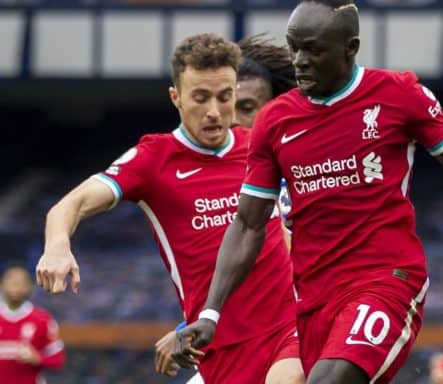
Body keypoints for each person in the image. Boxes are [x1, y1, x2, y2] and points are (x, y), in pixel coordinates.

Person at [172, 0, 443, 384]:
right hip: (315, 299)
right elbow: (247, 225)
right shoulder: (275, 121)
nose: (300, 61)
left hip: (387, 279)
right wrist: (211, 314)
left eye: (313, 50)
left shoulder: (398, 95)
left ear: (350, 48)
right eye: (295, 47)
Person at [35, 33, 304, 384]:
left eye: (225, 97)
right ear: (175, 98)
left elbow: (286, 233)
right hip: (220, 346)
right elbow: (71, 204)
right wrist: (57, 246)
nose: (214, 111)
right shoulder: (153, 160)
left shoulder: (260, 146)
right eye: (200, 97)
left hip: (290, 328)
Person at [153, 34, 298, 380]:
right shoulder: (224, 178)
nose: (228, 117)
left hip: (297, 336)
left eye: (246, 108)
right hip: (240, 343)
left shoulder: (294, 178)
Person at [0, 264, 65, 383]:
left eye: (21, 283)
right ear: (2, 285)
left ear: (29, 287)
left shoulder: (42, 320)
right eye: (12, 282)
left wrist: (37, 358)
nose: (16, 287)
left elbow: (58, 361)